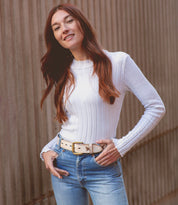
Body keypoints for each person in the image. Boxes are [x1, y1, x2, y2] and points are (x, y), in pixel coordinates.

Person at [40, 3, 165, 205]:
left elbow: (156, 106)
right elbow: (73, 124)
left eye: (69, 20)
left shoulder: (118, 62)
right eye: (56, 27)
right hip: (63, 166)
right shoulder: (64, 71)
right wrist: (46, 150)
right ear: (55, 37)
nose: (64, 29)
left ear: (82, 23)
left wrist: (121, 146)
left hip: (102, 166)